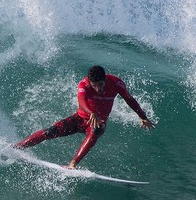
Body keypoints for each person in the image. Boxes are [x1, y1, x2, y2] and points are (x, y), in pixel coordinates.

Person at [13, 65, 155, 168]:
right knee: (49, 132)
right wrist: (91, 112)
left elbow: (129, 99)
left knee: (97, 129)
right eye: (94, 85)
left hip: (97, 122)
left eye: (100, 84)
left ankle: (73, 163)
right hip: (79, 119)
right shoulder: (84, 84)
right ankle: (17, 148)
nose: (98, 89)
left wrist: (142, 116)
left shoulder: (116, 83)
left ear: (105, 79)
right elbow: (81, 100)